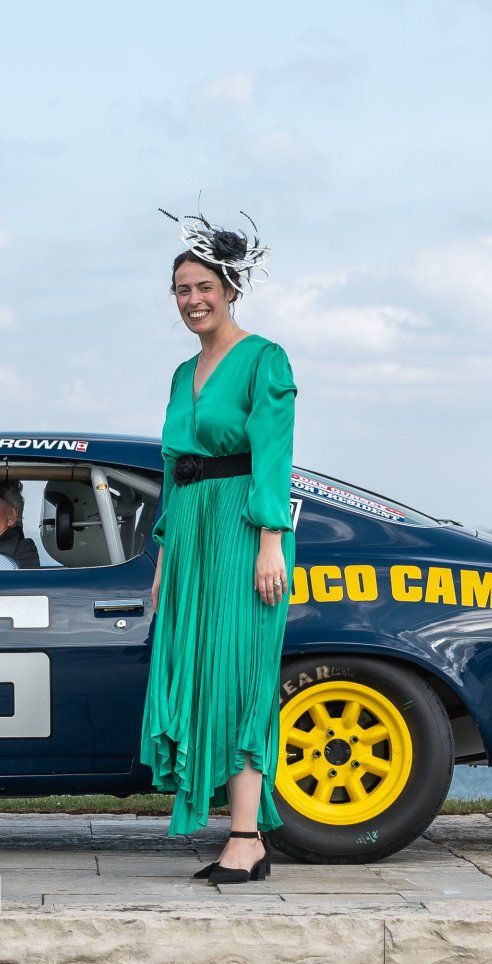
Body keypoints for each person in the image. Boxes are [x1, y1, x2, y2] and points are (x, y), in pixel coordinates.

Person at [137, 210, 296, 885]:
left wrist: (270, 541)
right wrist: (164, 560)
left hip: (242, 530)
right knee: (199, 677)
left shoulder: (264, 359)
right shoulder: (182, 373)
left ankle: (246, 837)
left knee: (240, 676)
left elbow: (273, 456)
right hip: (191, 536)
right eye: (182, 290)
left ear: (231, 288)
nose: (193, 300)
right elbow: (173, 470)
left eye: (204, 287)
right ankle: (239, 832)